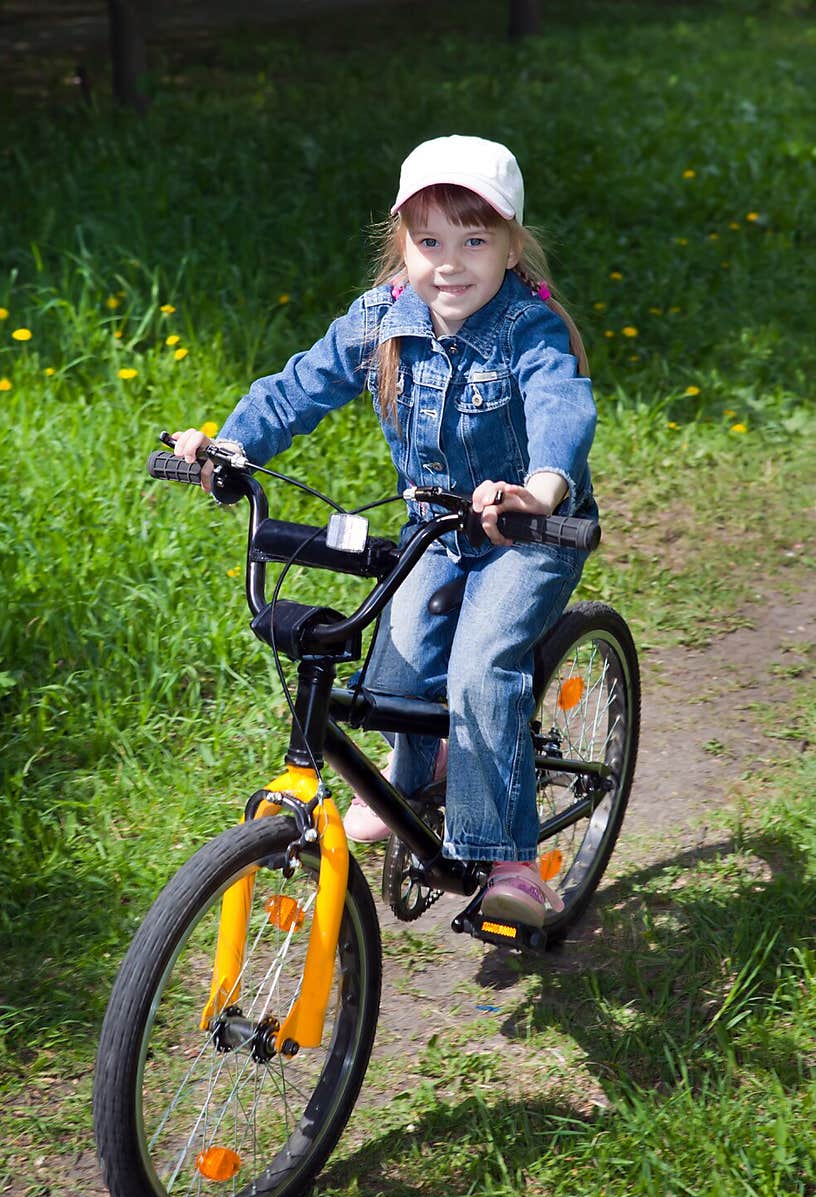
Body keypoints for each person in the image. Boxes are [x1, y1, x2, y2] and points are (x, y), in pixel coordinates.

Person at [170, 134, 598, 928]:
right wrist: (230, 445)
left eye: (475, 240)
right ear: (401, 242)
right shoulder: (381, 320)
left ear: (512, 244)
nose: (451, 262)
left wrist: (541, 489)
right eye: (429, 241)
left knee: (480, 668)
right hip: (436, 529)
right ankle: (416, 780)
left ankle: (510, 860)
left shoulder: (527, 331)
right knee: (391, 677)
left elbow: (560, 405)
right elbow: (298, 386)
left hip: (528, 537)